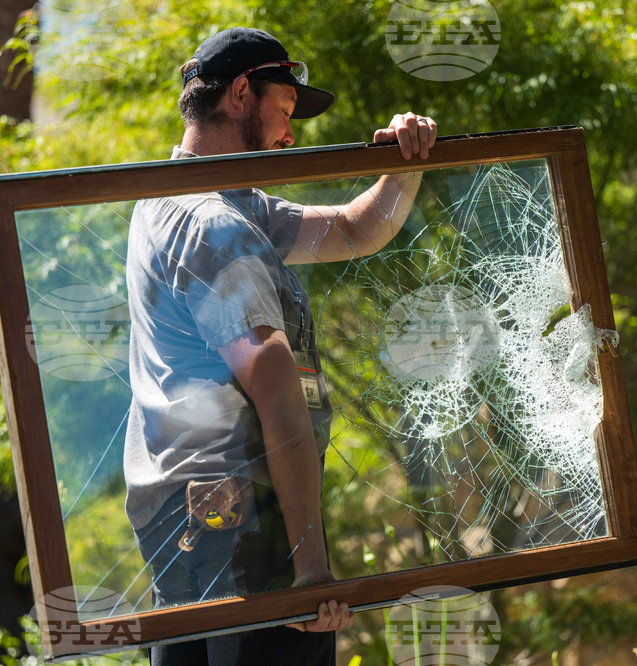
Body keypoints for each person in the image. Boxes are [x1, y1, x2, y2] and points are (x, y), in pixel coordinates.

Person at [123, 26, 437, 665]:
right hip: (235, 529)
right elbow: (274, 382)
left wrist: (406, 165)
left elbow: (351, 229)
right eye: (284, 112)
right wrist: (312, 569)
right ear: (240, 93)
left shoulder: (215, 201)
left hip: (211, 524)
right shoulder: (208, 222)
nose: (290, 135)